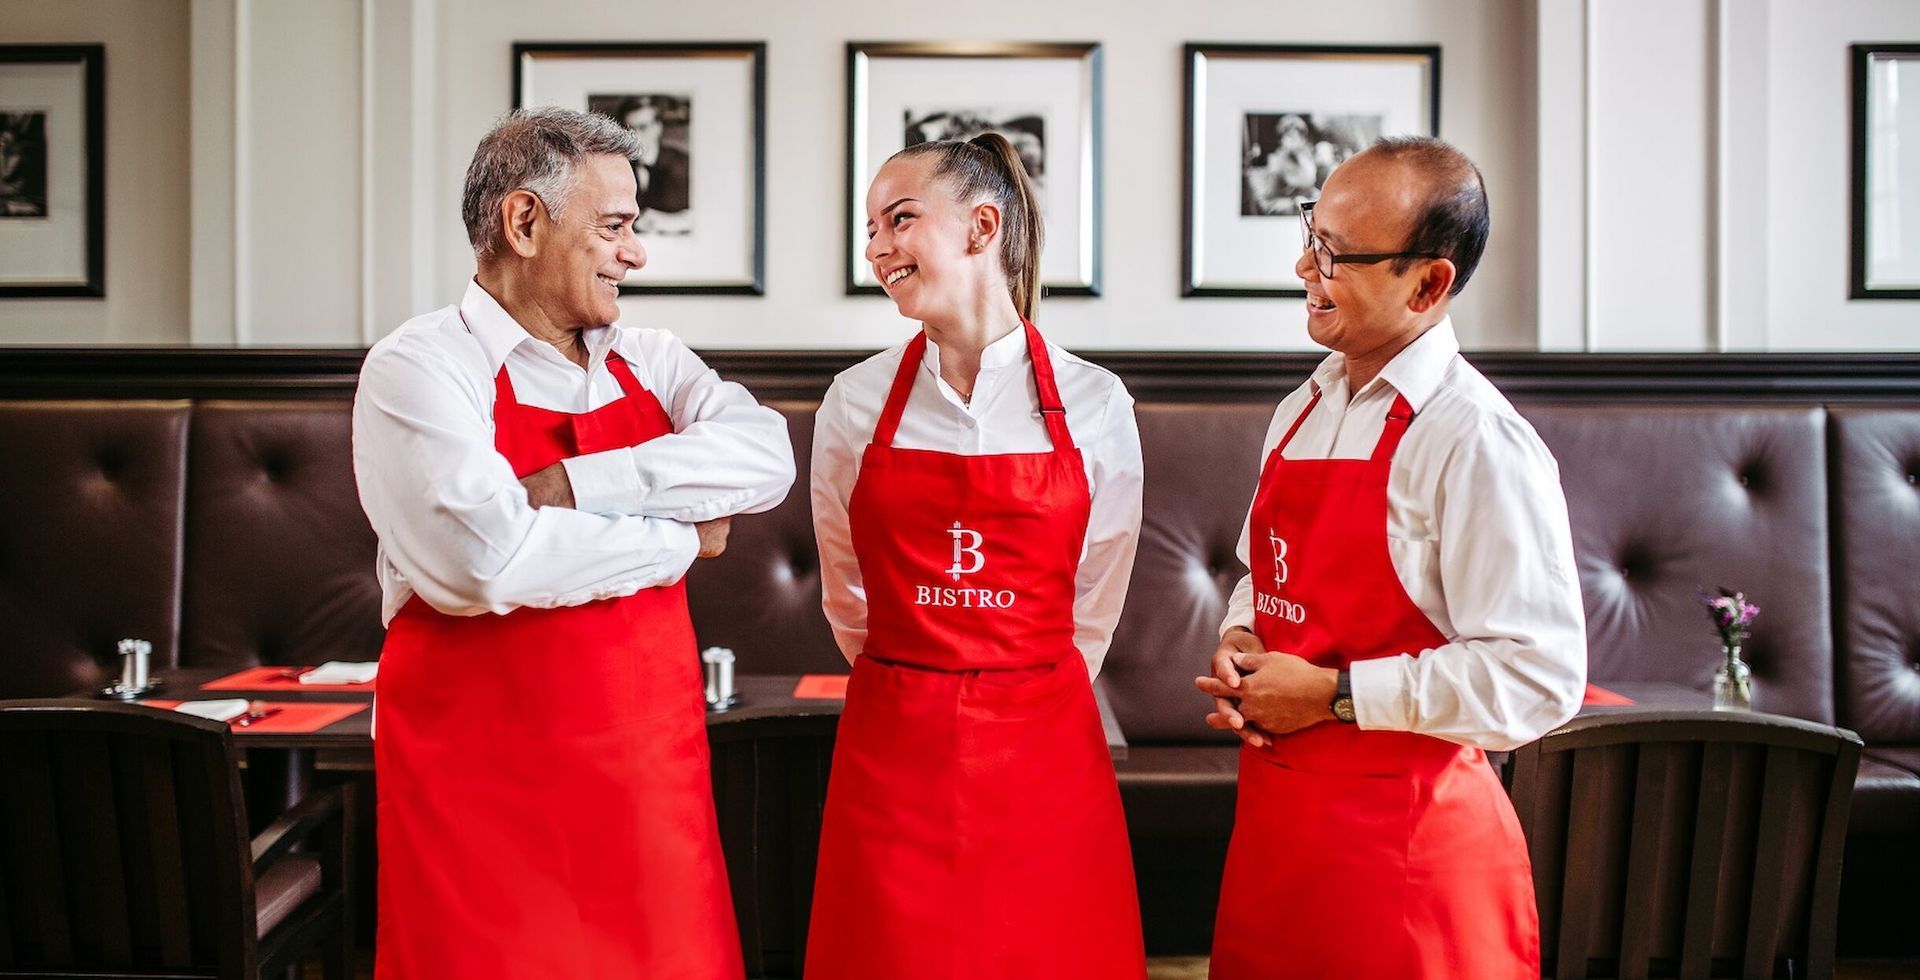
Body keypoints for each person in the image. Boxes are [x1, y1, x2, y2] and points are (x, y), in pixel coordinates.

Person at [352, 107, 794, 979]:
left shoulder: (654, 356)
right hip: (477, 790)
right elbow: (482, 563)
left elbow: (765, 454)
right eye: (617, 227)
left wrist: (574, 486)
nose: (636, 254)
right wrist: (677, 539)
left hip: (645, 778)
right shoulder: (419, 367)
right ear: (524, 222)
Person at [1195, 136, 1587, 979]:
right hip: (1280, 842)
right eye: (1311, 233)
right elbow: (1265, 575)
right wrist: (1243, 639)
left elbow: (1538, 677)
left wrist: (1335, 696)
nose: (1305, 264)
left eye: (1335, 253)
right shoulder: (1304, 406)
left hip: (1409, 866)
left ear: (1430, 282)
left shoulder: (1476, 438)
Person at [805, 132, 1147, 979]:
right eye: (872, 228)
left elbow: (1098, 595)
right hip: (894, 746)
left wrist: (1015, 673)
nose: (879, 246)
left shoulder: (1095, 402)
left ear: (981, 226)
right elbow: (845, 586)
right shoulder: (854, 402)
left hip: (1044, 750)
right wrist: (917, 671)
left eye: (901, 219)